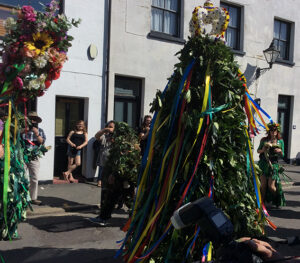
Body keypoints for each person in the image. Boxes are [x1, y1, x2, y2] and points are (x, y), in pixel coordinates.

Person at [257, 123, 285, 207]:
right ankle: (262, 204)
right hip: (263, 164)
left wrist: (279, 151)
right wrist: (263, 149)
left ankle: (277, 199)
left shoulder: (280, 141)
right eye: (271, 130)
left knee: (271, 187)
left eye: (275, 130)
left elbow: (282, 155)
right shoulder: (264, 140)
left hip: (273, 165)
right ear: (269, 131)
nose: (273, 132)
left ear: (277, 131)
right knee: (263, 186)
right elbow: (258, 151)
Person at [22, 111, 46, 205]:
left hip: (34, 156)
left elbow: (42, 142)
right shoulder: (22, 129)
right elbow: (16, 139)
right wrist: (24, 130)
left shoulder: (40, 130)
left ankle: (33, 198)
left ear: (37, 121)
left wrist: (37, 134)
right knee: (23, 177)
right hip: (22, 156)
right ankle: (23, 198)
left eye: (34, 119)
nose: (32, 120)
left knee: (34, 178)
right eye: (30, 118)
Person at [94, 120, 115, 187]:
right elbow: (96, 136)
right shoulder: (105, 135)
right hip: (104, 157)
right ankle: (100, 180)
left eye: (111, 127)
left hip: (113, 158)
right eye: (109, 126)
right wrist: (104, 130)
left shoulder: (117, 136)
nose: (110, 128)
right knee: (102, 169)